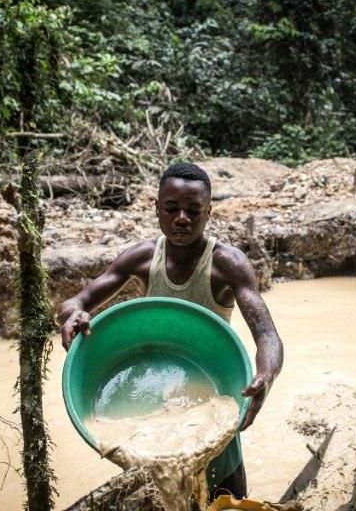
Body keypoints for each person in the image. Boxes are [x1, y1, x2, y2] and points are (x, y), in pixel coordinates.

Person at [58, 162, 284, 500]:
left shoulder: (227, 263)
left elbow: (266, 334)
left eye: (194, 210)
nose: (182, 218)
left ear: (208, 212)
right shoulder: (143, 257)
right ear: (157, 209)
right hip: (153, 392)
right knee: (159, 489)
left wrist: (266, 375)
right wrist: (73, 313)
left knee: (227, 493)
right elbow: (79, 300)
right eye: (171, 208)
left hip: (213, 390)